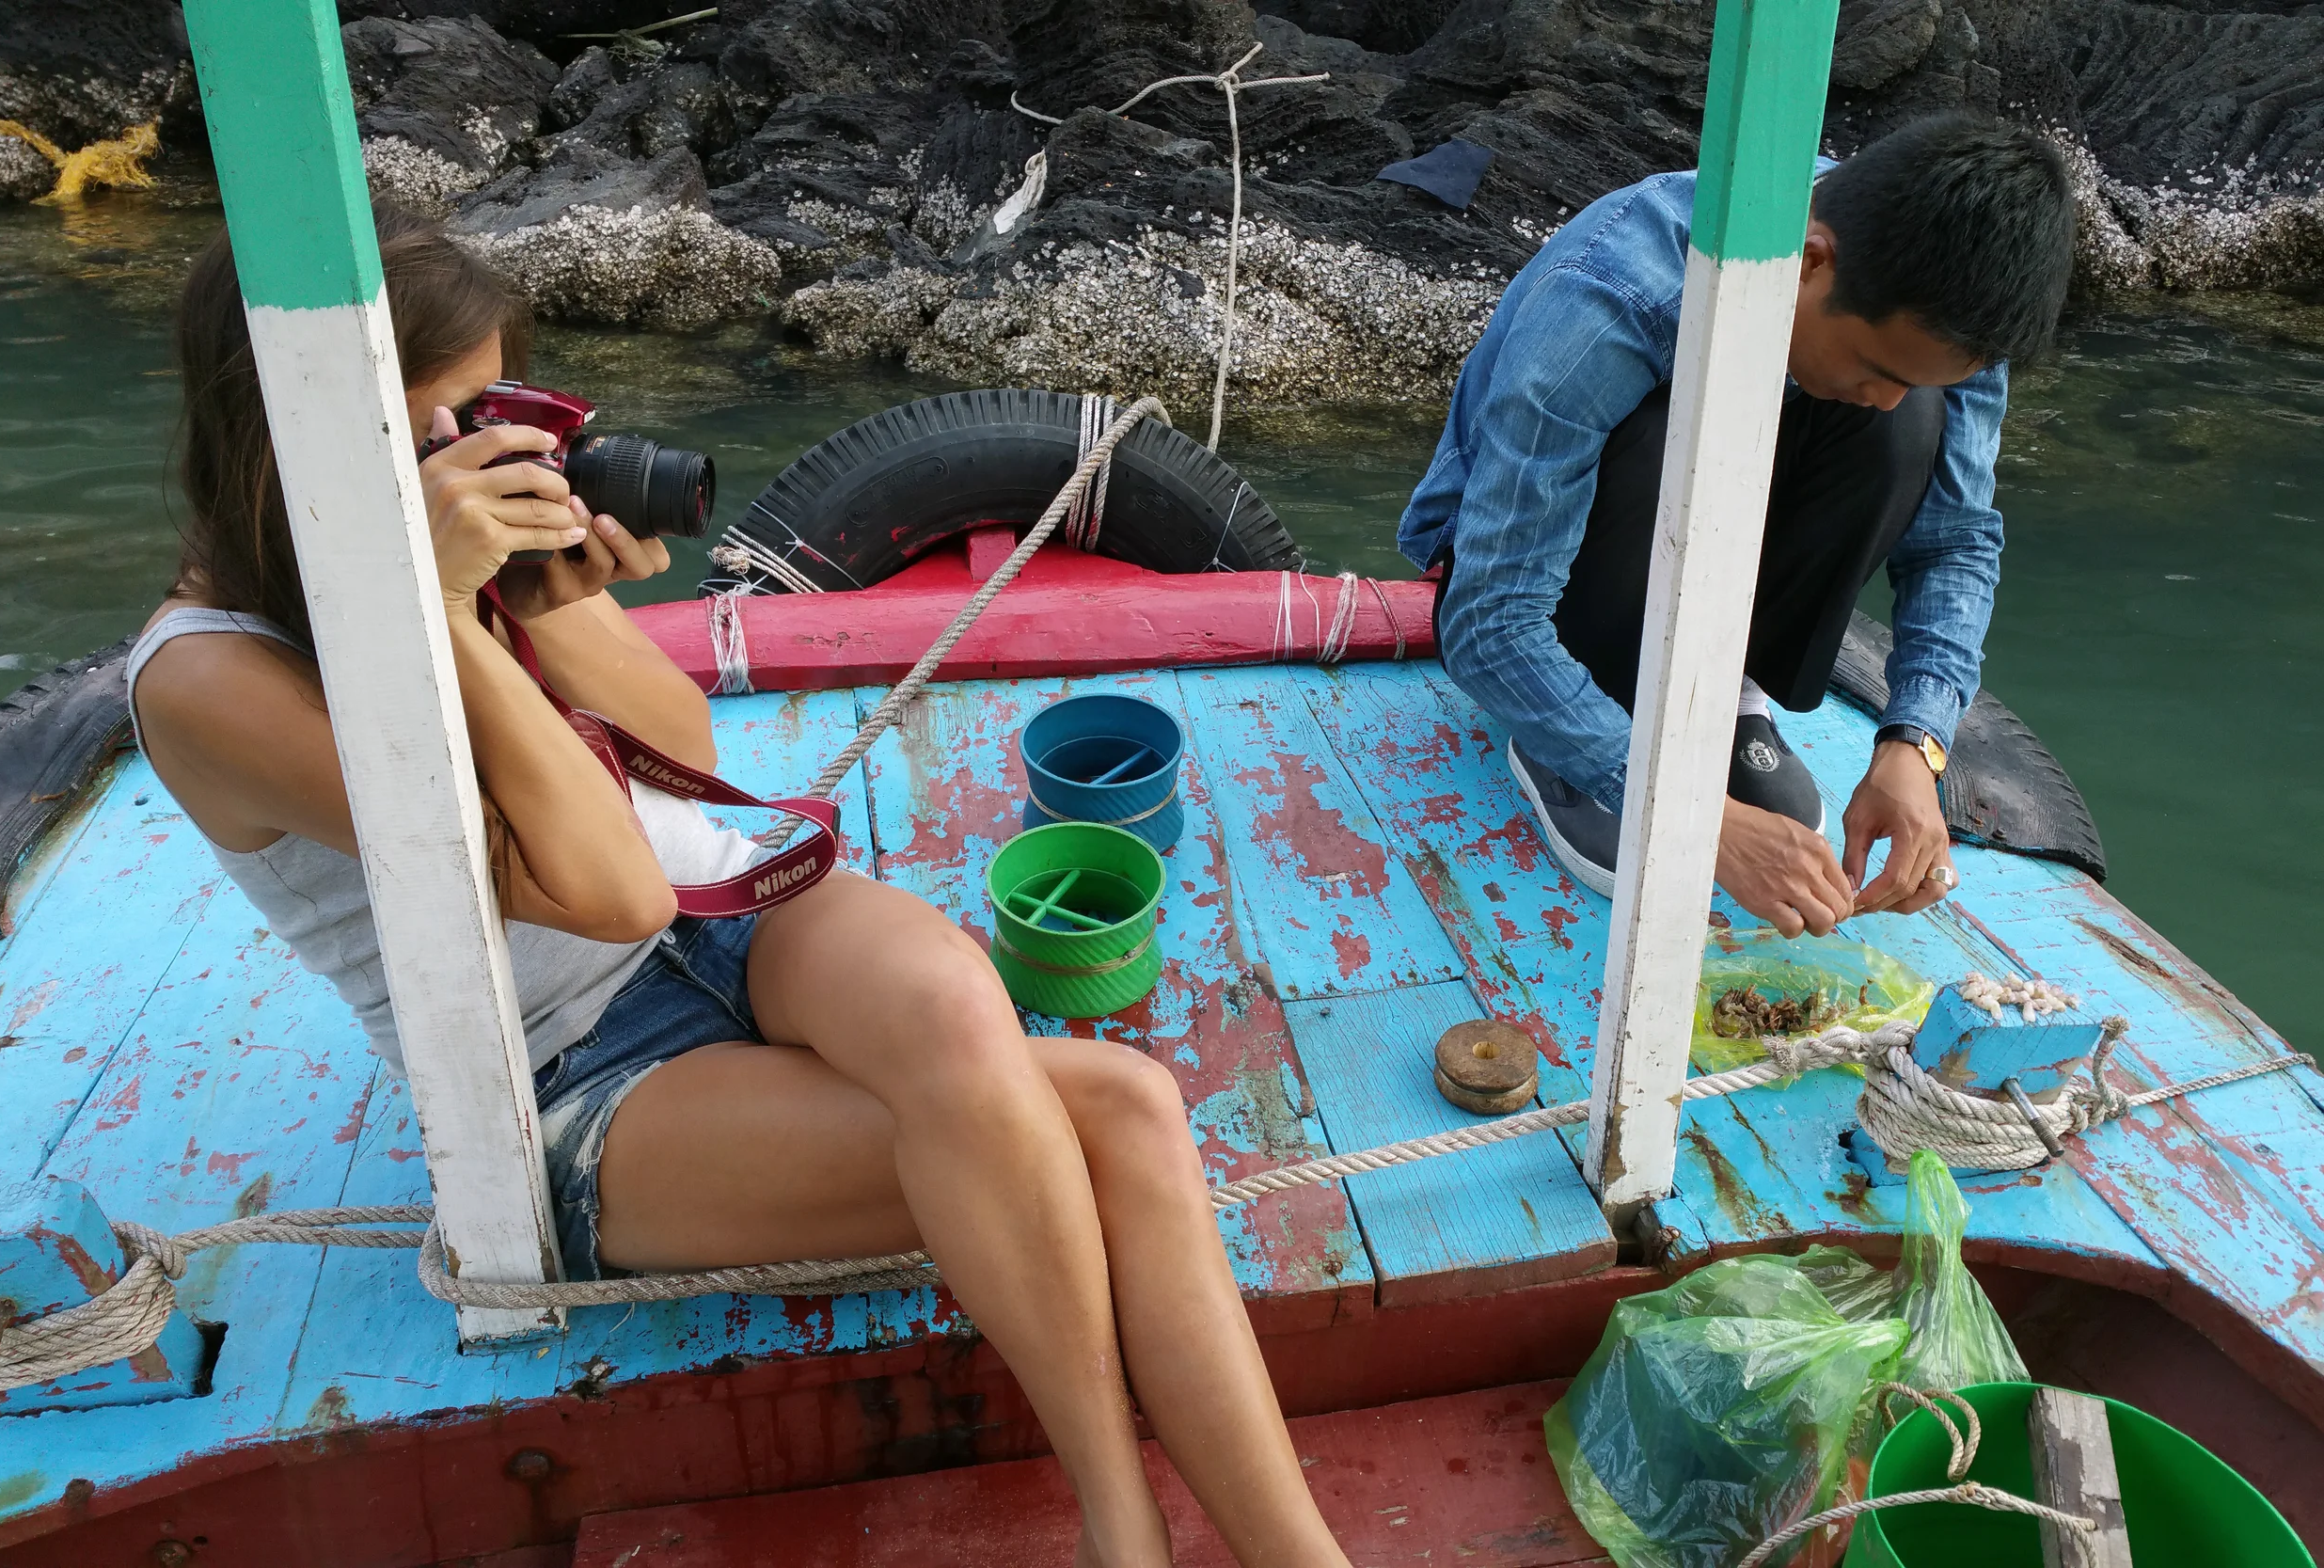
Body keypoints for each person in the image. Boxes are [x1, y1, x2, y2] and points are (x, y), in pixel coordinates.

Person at [128, 205, 1350, 1568]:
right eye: (437, 431)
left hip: (726, 918)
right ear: (296, 440)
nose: (481, 461)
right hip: (574, 1071)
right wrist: (444, 613)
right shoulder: (210, 679)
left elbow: (685, 749)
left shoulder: (453, 547)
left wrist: (541, 604)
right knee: (1106, 1116)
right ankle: (1123, 1530)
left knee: (1055, 1063)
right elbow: (609, 893)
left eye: (495, 417)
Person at [1398, 113, 2077, 938]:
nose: (1888, 392)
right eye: (1878, 366)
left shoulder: (1946, 302)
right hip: (1538, 581)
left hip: (1717, 535)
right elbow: (1488, 618)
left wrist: (1916, 744)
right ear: (1812, 261)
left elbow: (1955, 539)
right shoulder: (1612, 299)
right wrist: (1692, 814)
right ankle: (1578, 721)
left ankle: (1726, 687)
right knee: (1675, 422)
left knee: (1906, 429)